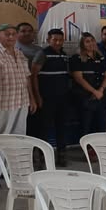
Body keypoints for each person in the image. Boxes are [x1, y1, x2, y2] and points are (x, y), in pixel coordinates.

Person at [0, 24, 36, 190]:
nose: (11, 37)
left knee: (16, 139)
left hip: (21, 102)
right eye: (7, 34)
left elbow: (27, 79)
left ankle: (8, 170)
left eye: (13, 34)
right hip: (1, 104)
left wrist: (32, 98)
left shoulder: (19, 54)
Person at [31, 28, 70, 167]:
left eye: (60, 40)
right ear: (48, 40)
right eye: (55, 40)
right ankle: (42, 157)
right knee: (44, 128)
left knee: (61, 127)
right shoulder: (42, 54)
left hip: (62, 98)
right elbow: (33, 76)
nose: (58, 42)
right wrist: (37, 97)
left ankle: (61, 155)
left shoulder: (64, 55)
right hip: (46, 98)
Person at [70, 32, 106, 138]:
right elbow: (79, 78)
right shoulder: (76, 58)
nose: (91, 43)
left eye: (92, 40)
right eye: (87, 41)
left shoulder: (101, 57)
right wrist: (94, 92)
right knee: (86, 127)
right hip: (85, 96)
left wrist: (100, 90)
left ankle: (98, 147)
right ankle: (85, 147)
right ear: (82, 44)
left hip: (101, 96)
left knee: (101, 125)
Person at [15, 22, 43, 138]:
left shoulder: (39, 51)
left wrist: (35, 96)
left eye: (29, 31)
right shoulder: (10, 48)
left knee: (31, 126)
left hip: (31, 92)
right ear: (17, 33)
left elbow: (33, 75)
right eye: (23, 31)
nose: (27, 33)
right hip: (11, 95)